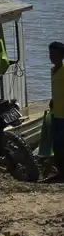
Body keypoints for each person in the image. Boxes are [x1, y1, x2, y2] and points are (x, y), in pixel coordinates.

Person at [50, 41, 64, 178]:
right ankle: (60, 172)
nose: (51, 57)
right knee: (57, 145)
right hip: (56, 114)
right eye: (50, 54)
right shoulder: (52, 70)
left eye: (54, 54)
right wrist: (52, 100)